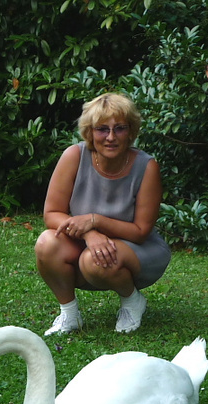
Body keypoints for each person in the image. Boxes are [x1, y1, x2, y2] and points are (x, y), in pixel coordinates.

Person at [35, 92, 170, 335]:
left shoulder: (146, 166)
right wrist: (90, 234)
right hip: (88, 242)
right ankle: (69, 314)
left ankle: (132, 301)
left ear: (131, 131)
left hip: (138, 248)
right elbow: (52, 214)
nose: (110, 137)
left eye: (119, 128)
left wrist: (95, 220)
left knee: (93, 259)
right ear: (89, 132)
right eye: (101, 129)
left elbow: (140, 232)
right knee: (46, 242)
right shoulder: (74, 156)